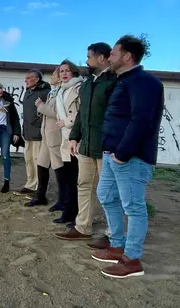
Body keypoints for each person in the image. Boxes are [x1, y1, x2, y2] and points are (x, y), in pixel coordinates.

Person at [92, 35, 163, 279]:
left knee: (133, 206)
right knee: (105, 195)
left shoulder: (144, 82)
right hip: (113, 154)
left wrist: (123, 153)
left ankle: (132, 260)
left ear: (127, 56)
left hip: (130, 157)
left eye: (113, 53)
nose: (109, 57)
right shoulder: (124, 80)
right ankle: (117, 244)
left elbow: (141, 120)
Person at [55, 43, 117, 248]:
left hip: (105, 146)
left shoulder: (114, 81)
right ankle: (83, 227)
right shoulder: (89, 83)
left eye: (89, 57)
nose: (86, 61)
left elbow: (116, 115)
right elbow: (82, 114)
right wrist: (74, 137)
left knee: (108, 191)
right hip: (86, 145)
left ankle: (112, 233)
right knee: (84, 185)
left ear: (102, 58)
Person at [25, 66, 65, 209]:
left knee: (59, 169)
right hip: (46, 135)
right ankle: (40, 196)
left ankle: (63, 200)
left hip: (55, 136)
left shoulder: (61, 92)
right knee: (41, 165)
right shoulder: (53, 93)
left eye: (54, 75)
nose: (51, 77)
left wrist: (41, 107)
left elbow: (58, 113)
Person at [51, 60, 83, 226]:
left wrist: (67, 121)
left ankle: (77, 216)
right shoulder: (60, 91)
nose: (63, 73)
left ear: (74, 72)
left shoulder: (79, 87)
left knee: (78, 180)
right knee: (69, 178)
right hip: (64, 138)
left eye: (67, 71)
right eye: (61, 71)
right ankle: (69, 213)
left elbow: (82, 112)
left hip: (76, 137)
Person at [15, 70, 51, 196]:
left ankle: (38, 187)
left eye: (29, 78)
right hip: (28, 132)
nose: (26, 80)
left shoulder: (45, 92)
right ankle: (30, 184)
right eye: (26, 77)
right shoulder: (27, 92)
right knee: (28, 160)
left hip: (38, 133)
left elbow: (48, 111)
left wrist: (39, 124)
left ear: (37, 79)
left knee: (38, 161)